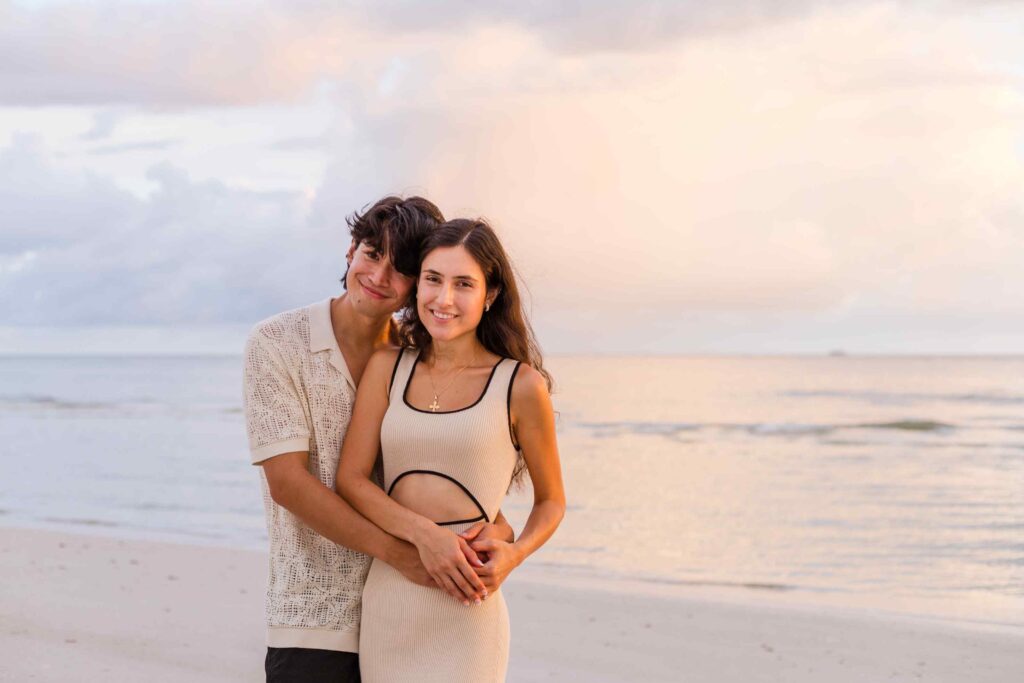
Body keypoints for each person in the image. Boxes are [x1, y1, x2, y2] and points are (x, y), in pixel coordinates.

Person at [242, 198, 514, 683]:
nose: (379, 276)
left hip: (412, 612)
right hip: (317, 619)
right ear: (350, 251)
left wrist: (498, 532)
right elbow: (287, 484)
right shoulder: (276, 342)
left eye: (401, 268)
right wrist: (402, 553)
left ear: (418, 282)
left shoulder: (415, 357)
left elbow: (442, 467)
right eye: (372, 253)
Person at [336, 218, 566, 682]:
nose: (443, 299)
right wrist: (426, 536)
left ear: (491, 294)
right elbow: (351, 480)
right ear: (417, 284)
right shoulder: (387, 367)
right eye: (433, 280)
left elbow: (552, 501)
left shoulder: (520, 385)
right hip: (392, 597)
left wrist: (515, 554)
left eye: (463, 284)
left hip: (468, 603)